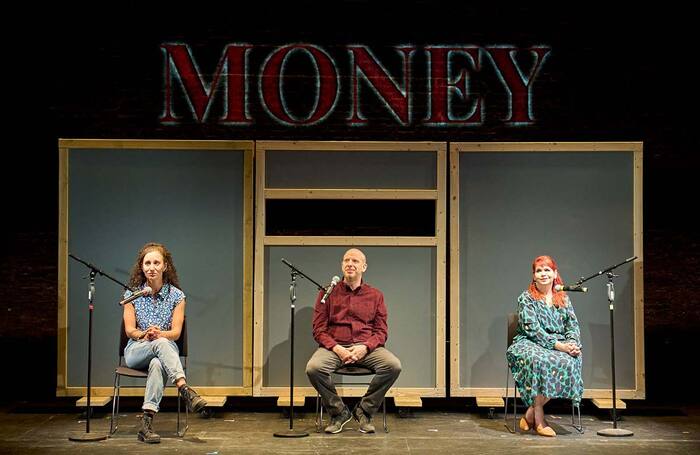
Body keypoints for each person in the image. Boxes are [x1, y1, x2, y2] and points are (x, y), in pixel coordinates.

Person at [306, 248, 402, 434]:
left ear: (364, 267)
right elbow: (319, 330)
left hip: (366, 348)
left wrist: (365, 347)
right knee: (314, 368)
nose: (350, 264)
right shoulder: (327, 293)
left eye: (355, 261)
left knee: (393, 365)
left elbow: (381, 331)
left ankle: (364, 410)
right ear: (342, 265)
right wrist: (338, 349)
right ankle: (339, 412)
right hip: (335, 347)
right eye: (346, 260)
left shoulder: (375, 295)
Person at [122, 242, 207, 443]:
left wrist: (160, 333)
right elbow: (129, 331)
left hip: (163, 350)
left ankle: (146, 424)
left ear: (165, 266)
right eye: (147, 263)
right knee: (160, 344)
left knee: (158, 362)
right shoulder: (132, 294)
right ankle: (184, 389)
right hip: (136, 350)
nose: (151, 267)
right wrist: (145, 334)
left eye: (156, 263)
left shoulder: (177, 296)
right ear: (142, 267)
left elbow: (176, 333)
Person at [506, 255, 583, 437]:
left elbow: (572, 325)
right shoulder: (526, 298)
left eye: (547, 270)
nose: (543, 274)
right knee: (540, 360)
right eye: (539, 271)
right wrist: (559, 346)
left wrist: (571, 344)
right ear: (533, 276)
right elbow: (532, 330)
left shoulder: (563, 298)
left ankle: (531, 413)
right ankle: (539, 418)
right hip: (529, 342)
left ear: (555, 273)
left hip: (558, 344)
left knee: (570, 360)